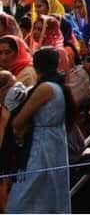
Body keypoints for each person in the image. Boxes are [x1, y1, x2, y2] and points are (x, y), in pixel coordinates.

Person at [5, 47, 73, 214]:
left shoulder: (45, 88)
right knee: (51, 189)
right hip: (56, 140)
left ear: (36, 65)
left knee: (25, 192)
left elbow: (19, 120)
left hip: (40, 144)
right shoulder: (60, 86)